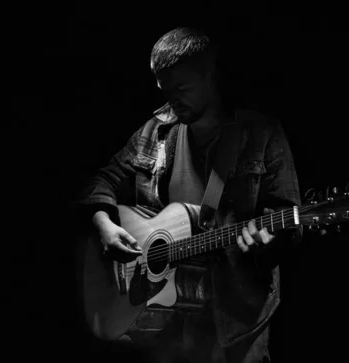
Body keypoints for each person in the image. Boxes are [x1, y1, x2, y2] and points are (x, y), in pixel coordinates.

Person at [74, 26, 302, 363]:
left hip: (235, 319)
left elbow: (288, 219)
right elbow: (102, 180)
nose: (171, 99)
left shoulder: (259, 133)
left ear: (209, 76)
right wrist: (102, 221)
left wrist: (268, 238)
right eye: (164, 88)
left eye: (181, 87)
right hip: (167, 324)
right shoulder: (155, 131)